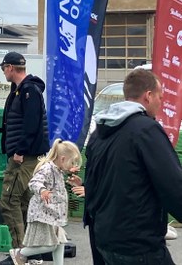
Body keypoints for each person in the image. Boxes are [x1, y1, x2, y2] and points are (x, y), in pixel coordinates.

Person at [85, 69, 182, 264]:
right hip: (138, 245)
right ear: (148, 96)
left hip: (104, 240)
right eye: (160, 97)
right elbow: (173, 185)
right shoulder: (146, 130)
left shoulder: (99, 133)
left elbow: (91, 186)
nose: (161, 103)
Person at [0, 52, 49, 263]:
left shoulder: (28, 91)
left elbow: (31, 124)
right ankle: (31, 253)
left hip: (24, 157)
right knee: (25, 203)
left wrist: (19, 151)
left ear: (10, 67)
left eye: (4, 68)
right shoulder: (23, 90)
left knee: (9, 201)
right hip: (28, 156)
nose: (3, 72)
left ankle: (20, 253)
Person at [9, 140, 81, 265]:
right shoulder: (47, 168)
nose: (73, 166)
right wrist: (42, 190)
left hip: (52, 215)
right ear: (62, 159)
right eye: (72, 162)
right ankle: (20, 253)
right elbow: (34, 182)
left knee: (60, 242)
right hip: (43, 214)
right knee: (51, 245)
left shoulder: (58, 169)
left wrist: (72, 175)